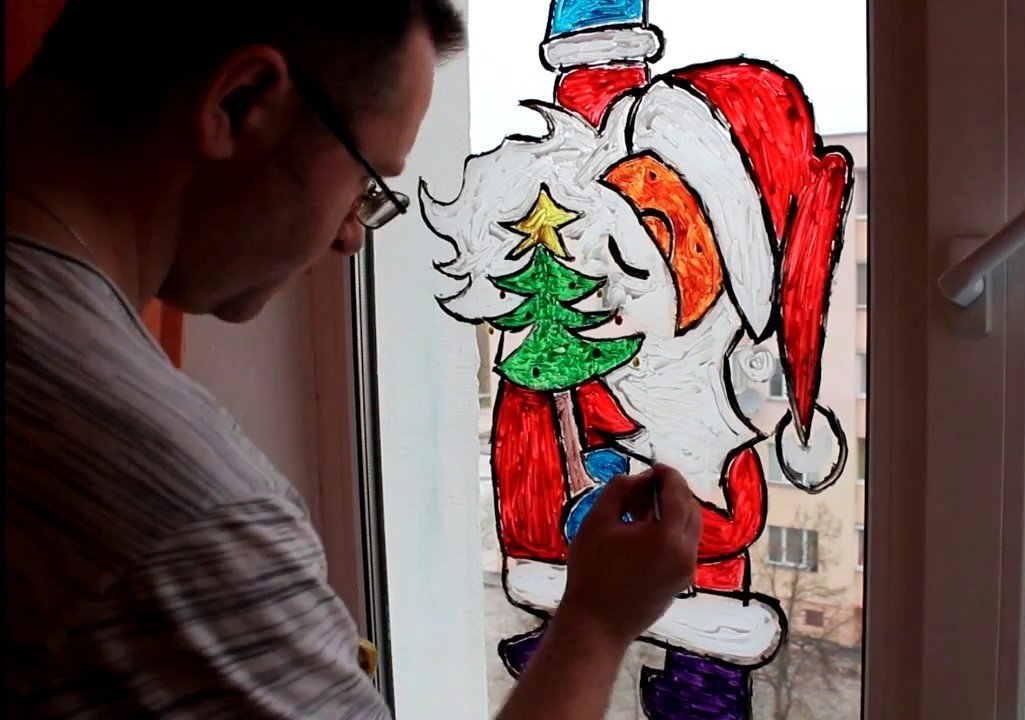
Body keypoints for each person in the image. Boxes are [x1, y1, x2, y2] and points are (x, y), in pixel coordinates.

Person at [3, 2, 703, 718]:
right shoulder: (181, 510)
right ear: (239, 103)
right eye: (367, 182)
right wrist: (595, 626)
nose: (352, 236)